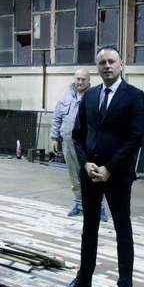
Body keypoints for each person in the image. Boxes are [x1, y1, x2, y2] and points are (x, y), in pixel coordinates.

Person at [61, 46, 144, 287]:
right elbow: (77, 135)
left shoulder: (134, 96)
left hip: (117, 175)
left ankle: (124, 286)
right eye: (102, 63)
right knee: (89, 228)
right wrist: (85, 162)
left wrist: (109, 168)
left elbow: (135, 139)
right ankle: (84, 278)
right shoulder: (90, 96)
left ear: (121, 65)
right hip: (90, 173)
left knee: (122, 228)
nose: (107, 66)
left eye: (111, 61)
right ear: (97, 68)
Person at [50, 69, 108, 222]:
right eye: (78, 79)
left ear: (89, 80)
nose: (80, 82)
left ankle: (99, 207)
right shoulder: (65, 95)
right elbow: (57, 117)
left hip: (86, 144)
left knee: (92, 174)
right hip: (68, 142)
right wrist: (54, 137)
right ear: (74, 79)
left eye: (83, 79)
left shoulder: (95, 96)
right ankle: (79, 204)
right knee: (74, 175)